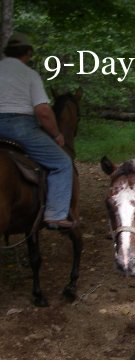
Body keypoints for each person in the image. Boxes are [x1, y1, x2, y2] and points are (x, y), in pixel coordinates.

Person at [0, 32, 74, 229]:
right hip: (20, 127)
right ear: (28, 53)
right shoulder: (29, 75)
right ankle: (55, 215)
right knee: (62, 163)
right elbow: (42, 112)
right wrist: (56, 134)